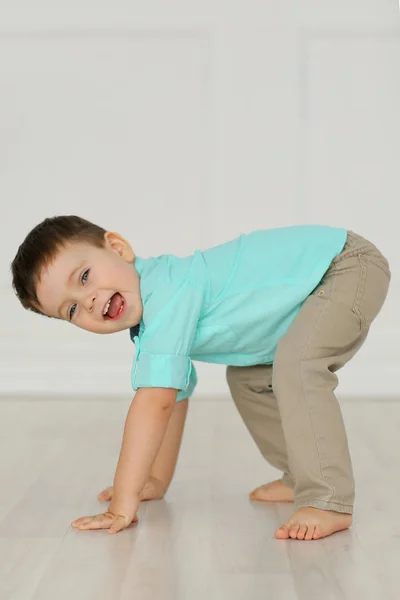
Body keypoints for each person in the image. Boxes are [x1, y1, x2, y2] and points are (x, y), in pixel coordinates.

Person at [11, 216, 391, 539]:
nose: (89, 300)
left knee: (297, 367)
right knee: (249, 381)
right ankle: (301, 474)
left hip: (342, 267)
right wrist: (154, 481)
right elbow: (173, 396)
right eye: (72, 308)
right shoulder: (151, 322)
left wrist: (121, 505)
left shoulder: (169, 290)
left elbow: (155, 400)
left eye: (85, 276)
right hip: (313, 289)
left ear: (118, 247)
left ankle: (328, 498)